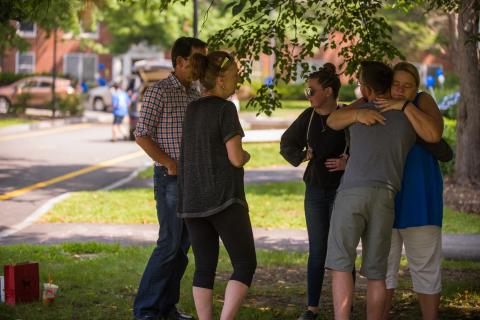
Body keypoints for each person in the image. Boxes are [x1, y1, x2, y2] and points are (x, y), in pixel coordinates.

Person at [325, 61, 418, 320]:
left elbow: (331, 120)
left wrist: (356, 112)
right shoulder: (408, 119)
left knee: (341, 264)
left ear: (366, 88)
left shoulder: (359, 114)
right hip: (386, 197)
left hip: (352, 193)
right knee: (376, 272)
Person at [177, 51, 256, 320]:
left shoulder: (192, 108)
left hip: (192, 201)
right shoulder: (226, 109)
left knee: (204, 268)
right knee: (245, 263)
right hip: (224, 198)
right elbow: (235, 157)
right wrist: (246, 156)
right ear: (221, 79)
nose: (237, 81)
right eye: (234, 76)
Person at [133, 37, 207, 320]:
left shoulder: (196, 93)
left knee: (183, 248)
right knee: (169, 244)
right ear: (180, 61)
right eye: (197, 59)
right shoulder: (159, 91)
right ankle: (145, 310)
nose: (201, 66)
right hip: (171, 179)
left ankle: (166, 307)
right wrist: (170, 164)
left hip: (194, 181)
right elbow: (141, 134)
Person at [375, 62, 453, 320]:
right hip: (384, 199)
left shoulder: (422, 101)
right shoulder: (380, 103)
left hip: (420, 199)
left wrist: (406, 107)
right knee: (383, 269)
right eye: (396, 84)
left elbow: (433, 133)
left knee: (425, 268)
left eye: (407, 86)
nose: (400, 90)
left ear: (416, 88)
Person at [280, 64, 353, 320]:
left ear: (329, 91)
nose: (307, 95)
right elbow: (286, 143)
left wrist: (348, 162)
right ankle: (312, 308)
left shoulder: (348, 115)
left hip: (342, 191)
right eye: (306, 90)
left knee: (342, 249)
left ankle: (345, 307)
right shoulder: (308, 117)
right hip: (315, 190)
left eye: (311, 90)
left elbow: (365, 151)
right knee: (318, 250)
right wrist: (302, 155)